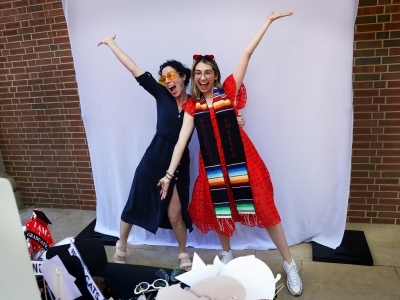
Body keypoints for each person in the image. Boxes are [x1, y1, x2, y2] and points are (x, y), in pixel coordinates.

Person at [158, 12, 303, 296]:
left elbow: (247, 53)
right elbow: (180, 143)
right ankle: (227, 256)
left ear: (215, 75)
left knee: (267, 211)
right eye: (197, 73)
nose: (202, 77)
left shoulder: (230, 93)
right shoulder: (191, 107)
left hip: (243, 161)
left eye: (207, 72)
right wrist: (168, 174)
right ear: (194, 77)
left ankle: (289, 264)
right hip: (213, 167)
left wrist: (268, 22)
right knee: (219, 210)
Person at [97, 35, 245, 271]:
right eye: (163, 77)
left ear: (183, 76)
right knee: (135, 203)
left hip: (179, 162)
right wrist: (111, 43)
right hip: (155, 156)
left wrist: (235, 119)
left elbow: (219, 115)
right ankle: (121, 246)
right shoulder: (161, 94)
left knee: (176, 213)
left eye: (171, 75)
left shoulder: (196, 102)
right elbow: (133, 68)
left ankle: (182, 253)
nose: (167, 81)